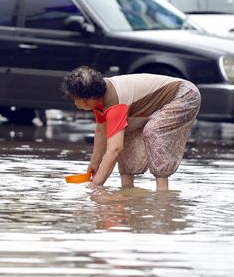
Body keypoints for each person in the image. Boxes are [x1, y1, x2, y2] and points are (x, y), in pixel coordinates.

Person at [61, 66, 201, 191]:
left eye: (76, 98)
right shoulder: (100, 97)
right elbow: (102, 132)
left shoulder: (114, 102)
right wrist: (94, 164)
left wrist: (96, 186)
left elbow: (115, 149)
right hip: (154, 104)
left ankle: (162, 194)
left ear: (89, 98)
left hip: (184, 95)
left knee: (153, 131)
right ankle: (127, 190)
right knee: (123, 133)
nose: (75, 103)